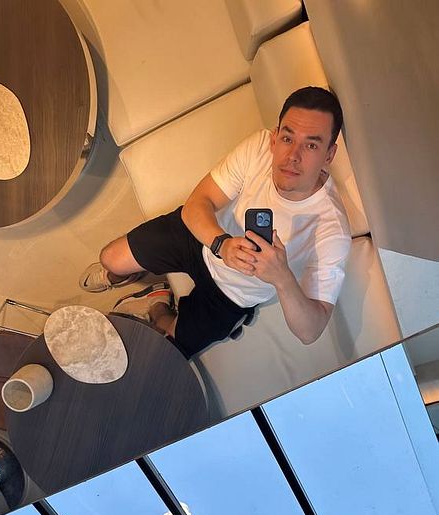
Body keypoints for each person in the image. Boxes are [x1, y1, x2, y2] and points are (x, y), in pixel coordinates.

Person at [79, 87, 351, 358]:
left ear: (329, 155)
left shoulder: (330, 228)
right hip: (203, 237)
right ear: (275, 138)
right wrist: (221, 243)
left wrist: (283, 279)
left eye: (311, 145)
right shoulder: (259, 147)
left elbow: (310, 331)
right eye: (287, 138)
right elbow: (198, 203)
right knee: (110, 258)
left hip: (233, 295)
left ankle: (157, 304)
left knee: (169, 349)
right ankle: (126, 273)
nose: (292, 156)